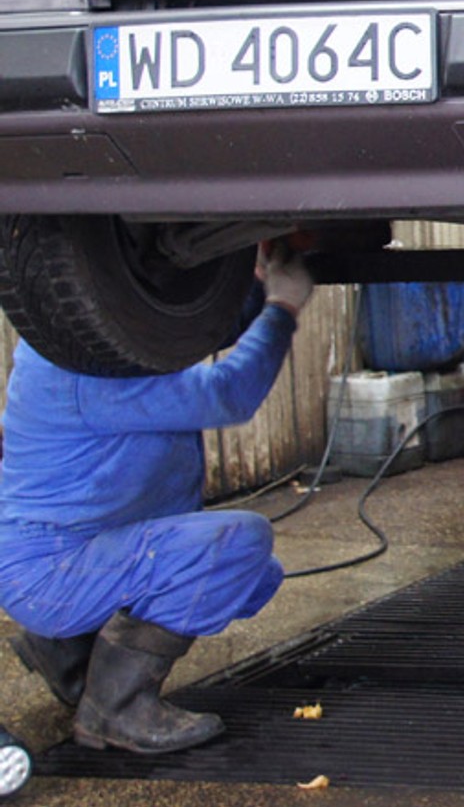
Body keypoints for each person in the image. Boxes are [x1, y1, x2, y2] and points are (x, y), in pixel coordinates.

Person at [0, 245, 314, 755]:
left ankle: (68, 653)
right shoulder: (82, 373)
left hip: (75, 551)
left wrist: (257, 286)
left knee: (254, 577)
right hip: (53, 571)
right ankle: (114, 709)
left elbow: (188, 336)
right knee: (236, 543)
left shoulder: (83, 339)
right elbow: (228, 394)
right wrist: (282, 308)